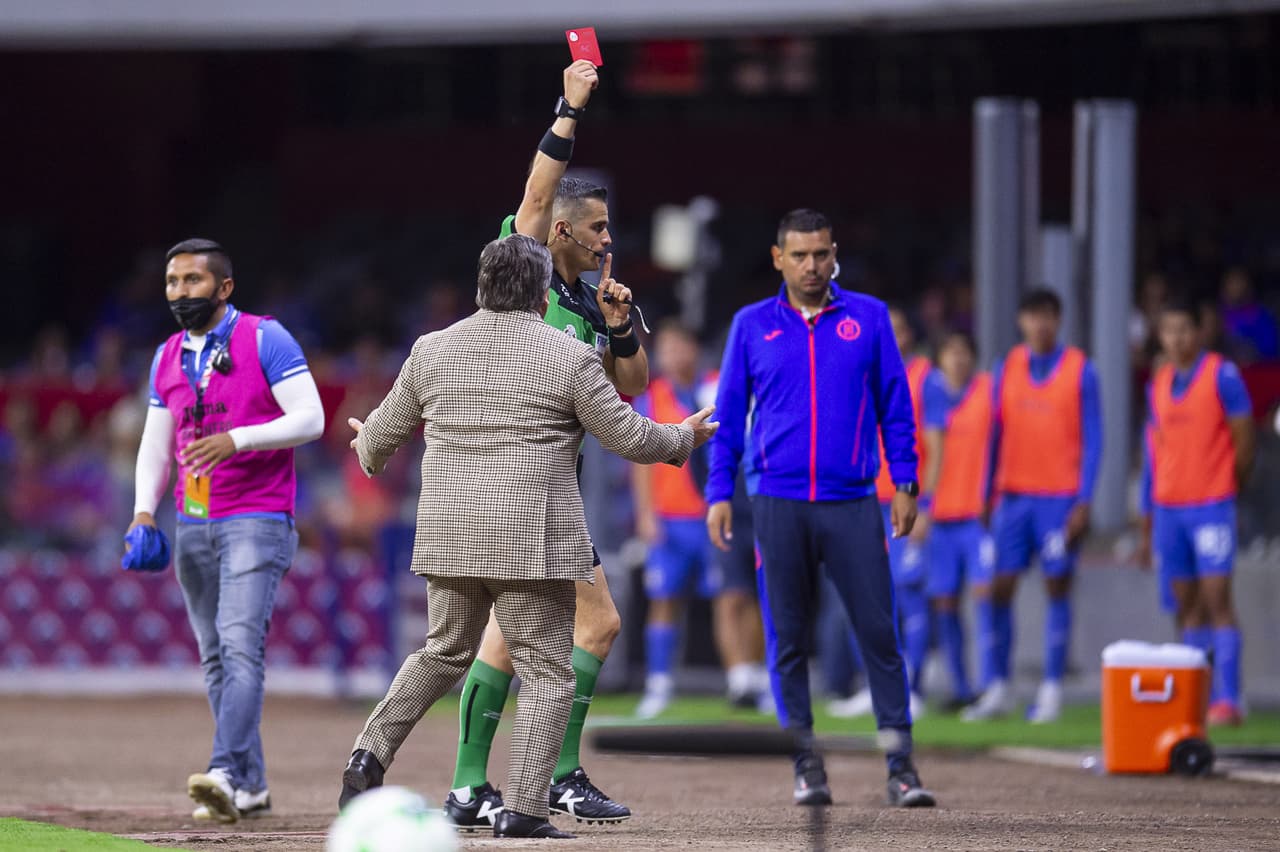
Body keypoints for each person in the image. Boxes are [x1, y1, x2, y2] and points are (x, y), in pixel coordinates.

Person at [344, 60, 649, 832]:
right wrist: (568, 108)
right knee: (585, 630)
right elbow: (539, 191)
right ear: (557, 233)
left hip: (539, 491)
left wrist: (619, 325)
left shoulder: (586, 299)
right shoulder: (528, 274)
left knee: (479, 644)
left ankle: (471, 783)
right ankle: (549, 780)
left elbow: (631, 387)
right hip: (530, 502)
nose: (611, 238)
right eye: (601, 227)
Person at [338, 235, 714, 839]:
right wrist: (684, 439)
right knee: (546, 673)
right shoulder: (567, 357)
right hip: (531, 541)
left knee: (444, 652)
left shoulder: (432, 350)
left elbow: (377, 445)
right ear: (542, 296)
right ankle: (526, 811)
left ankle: (367, 755)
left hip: (450, 535)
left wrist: (363, 442)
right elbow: (634, 440)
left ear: (481, 289)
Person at [707, 208, 935, 808]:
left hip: (854, 502)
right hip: (776, 503)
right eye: (801, 256)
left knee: (879, 636)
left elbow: (896, 404)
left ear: (835, 255)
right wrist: (717, 493)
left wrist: (906, 481)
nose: (813, 266)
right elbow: (726, 418)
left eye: (822, 254)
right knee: (786, 640)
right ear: (779, 258)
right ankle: (807, 765)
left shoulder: (870, 317)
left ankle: (901, 767)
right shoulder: (751, 325)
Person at [129, 238, 325, 822]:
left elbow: (310, 417)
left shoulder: (265, 338)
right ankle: (252, 784)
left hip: (257, 517)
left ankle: (221, 770)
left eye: (192, 281)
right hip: (192, 521)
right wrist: (143, 510)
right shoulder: (166, 356)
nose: (180, 293)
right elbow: (155, 445)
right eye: (172, 282)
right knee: (215, 657)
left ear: (224, 287)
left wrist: (238, 438)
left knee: (240, 649)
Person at [965, 288, 1102, 724]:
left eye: (1047, 316)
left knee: (1056, 587)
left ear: (1058, 321)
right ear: (1022, 321)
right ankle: (998, 686)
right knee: (996, 589)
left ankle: (1051, 689)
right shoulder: (1006, 369)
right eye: (1031, 316)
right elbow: (994, 435)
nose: (1039, 324)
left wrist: (1083, 499)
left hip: (1059, 499)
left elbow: (1095, 439)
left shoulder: (1081, 370)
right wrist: (986, 493)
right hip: (1013, 497)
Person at [631, 320, 768, 718]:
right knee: (665, 600)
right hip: (670, 519)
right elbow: (641, 461)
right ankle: (659, 684)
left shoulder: (717, 386)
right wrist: (645, 513)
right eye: (667, 349)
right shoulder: (653, 396)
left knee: (736, 595)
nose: (673, 356)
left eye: (680, 347)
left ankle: (746, 680)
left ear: (694, 349)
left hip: (716, 513)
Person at [1137, 299, 1254, 726]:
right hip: (1169, 506)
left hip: (1211, 504)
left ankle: (1230, 697)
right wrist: (1147, 516)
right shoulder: (1160, 380)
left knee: (1217, 597)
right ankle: (1195, 698)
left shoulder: (1222, 375)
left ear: (1199, 330)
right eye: (1169, 331)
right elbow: (1155, 449)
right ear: (1160, 335)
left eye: (1184, 329)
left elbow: (1245, 437)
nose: (1177, 338)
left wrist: (1229, 485)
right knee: (1186, 605)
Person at [831, 305, 932, 719]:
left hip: (904, 498)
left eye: (900, 329)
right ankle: (873, 685)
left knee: (909, 596)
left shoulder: (927, 377)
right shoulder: (857, 372)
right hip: (864, 498)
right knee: (864, 595)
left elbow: (937, 444)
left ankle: (914, 687)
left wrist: (926, 501)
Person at [919, 331, 995, 711]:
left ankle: (990, 684)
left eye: (964, 351)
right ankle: (962, 687)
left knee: (985, 596)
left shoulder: (988, 392)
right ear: (940, 359)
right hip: (942, 516)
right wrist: (925, 506)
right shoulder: (932, 397)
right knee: (945, 602)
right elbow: (930, 453)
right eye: (951, 351)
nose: (958, 359)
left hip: (977, 516)